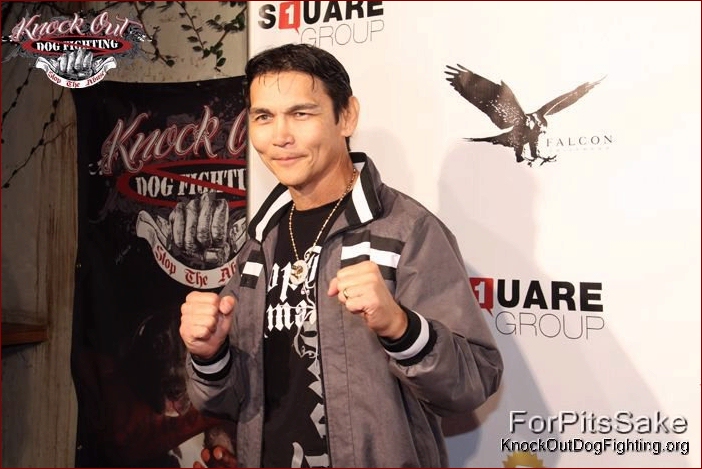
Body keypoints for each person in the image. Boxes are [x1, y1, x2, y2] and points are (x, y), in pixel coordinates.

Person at [179, 43, 503, 468]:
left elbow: (472, 382)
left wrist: (400, 327)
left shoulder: (407, 230)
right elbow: (230, 400)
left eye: (301, 113)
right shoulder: (260, 242)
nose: (280, 136)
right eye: (263, 117)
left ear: (346, 116)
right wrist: (210, 355)